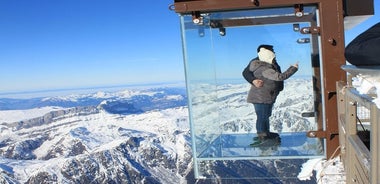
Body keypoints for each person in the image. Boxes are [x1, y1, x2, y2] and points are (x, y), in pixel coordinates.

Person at [242, 44, 299, 146]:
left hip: (266, 96)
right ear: (266, 53)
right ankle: (262, 136)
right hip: (262, 97)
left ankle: (265, 134)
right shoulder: (263, 66)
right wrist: (293, 68)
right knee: (262, 116)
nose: (274, 53)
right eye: (272, 51)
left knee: (265, 116)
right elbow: (280, 76)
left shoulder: (265, 63)